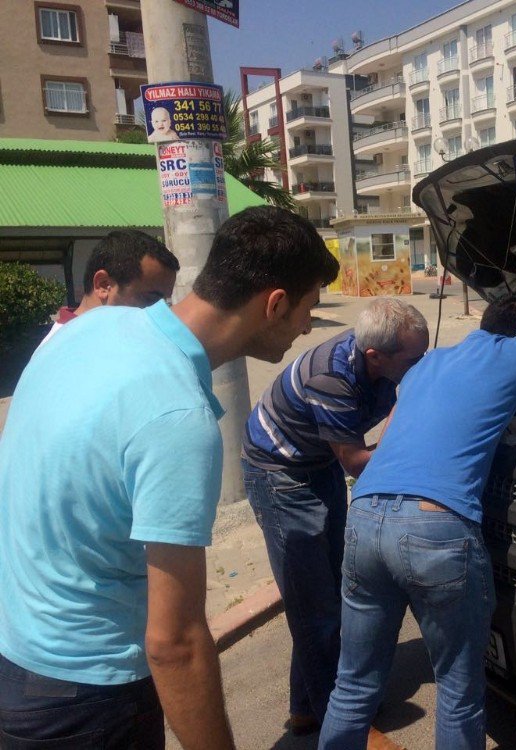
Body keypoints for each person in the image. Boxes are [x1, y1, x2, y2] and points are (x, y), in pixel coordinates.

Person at [0, 206, 339, 749]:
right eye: (308, 310)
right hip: (87, 700)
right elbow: (175, 643)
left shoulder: (88, 327)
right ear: (275, 304)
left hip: (16, 654)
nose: (306, 328)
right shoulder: (178, 418)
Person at [319, 296, 516, 750]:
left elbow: (391, 438)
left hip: (366, 516)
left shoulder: (425, 366)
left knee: (353, 686)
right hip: (434, 528)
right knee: (458, 692)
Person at [241, 298, 429, 735]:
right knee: (317, 607)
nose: (421, 365)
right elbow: (357, 461)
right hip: (281, 474)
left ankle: (306, 707)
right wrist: (414, 445)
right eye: (414, 359)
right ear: (374, 357)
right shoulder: (331, 378)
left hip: (316, 462)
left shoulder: (379, 361)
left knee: (324, 592)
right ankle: (342, 727)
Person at [38, 229, 179, 346]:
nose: (163, 312)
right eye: (150, 298)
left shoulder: (101, 338)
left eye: (166, 302)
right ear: (103, 285)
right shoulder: (67, 349)